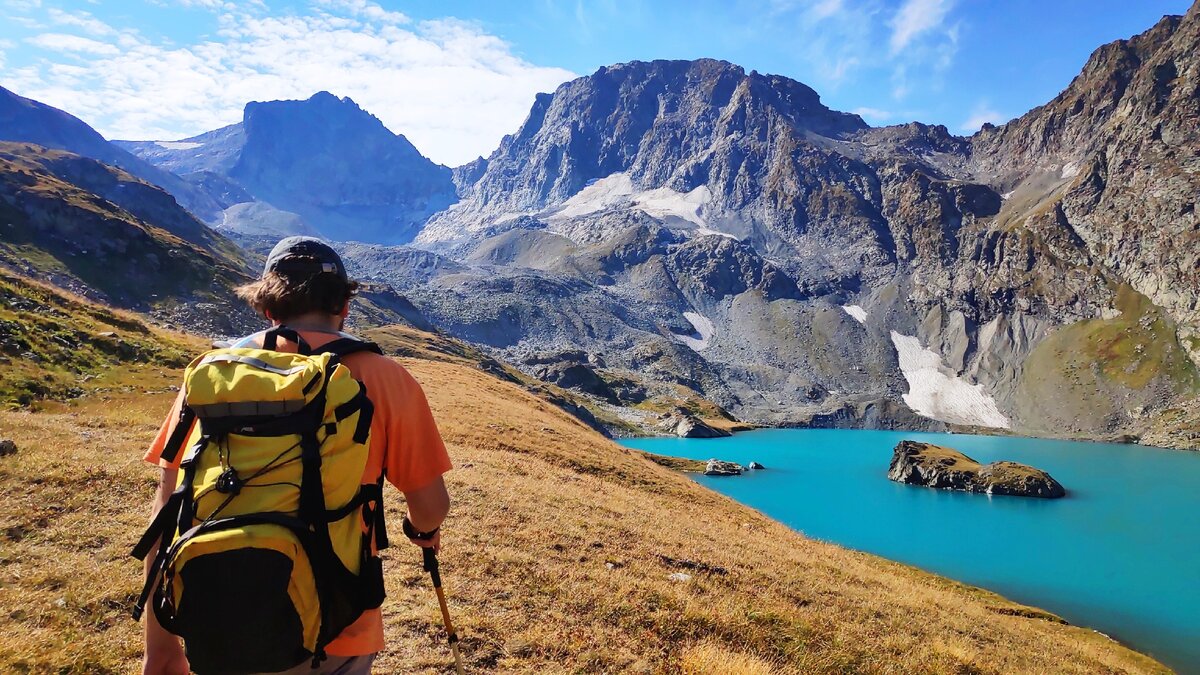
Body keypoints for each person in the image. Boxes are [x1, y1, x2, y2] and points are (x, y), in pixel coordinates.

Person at [140, 237, 452, 675]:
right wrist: (422, 532)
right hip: (338, 622)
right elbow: (430, 505)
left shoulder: (214, 377)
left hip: (215, 609)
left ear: (268, 308)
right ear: (345, 305)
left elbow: (167, 513)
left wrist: (162, 648)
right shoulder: (384, 379)